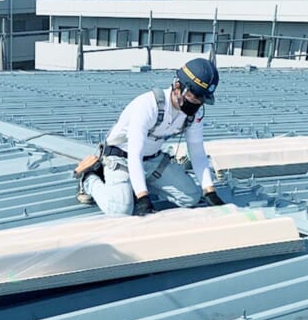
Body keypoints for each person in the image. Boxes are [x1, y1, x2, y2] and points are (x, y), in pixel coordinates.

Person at [72, 58, 227, 216]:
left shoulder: (194, 114)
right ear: (178, 87)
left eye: (202, 100)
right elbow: (134, 154)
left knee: (191, 197)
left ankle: (137, 183)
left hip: (153, 161)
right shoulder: (148, 106)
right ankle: (89, 179)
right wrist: (142, 197)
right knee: (120, 210)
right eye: (195, 97)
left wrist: (209, 191)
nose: (198, 104)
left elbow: (197, 153)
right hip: (121, 158)